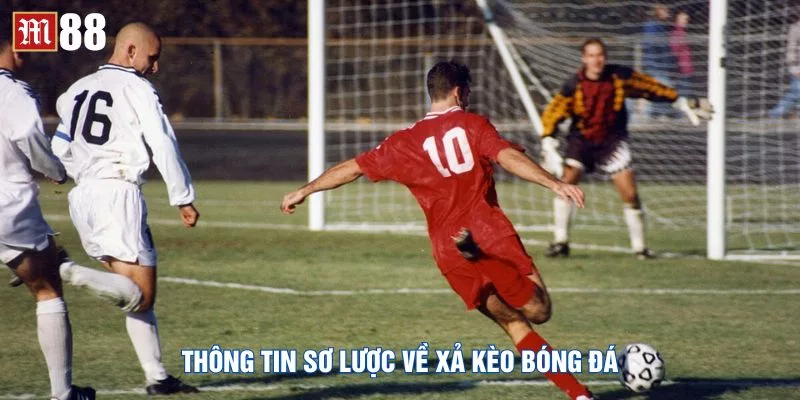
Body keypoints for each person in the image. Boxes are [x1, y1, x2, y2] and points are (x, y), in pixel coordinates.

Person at [282, 60, 595, 400]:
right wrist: (554, 183)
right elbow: (505, 155)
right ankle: (484, 260)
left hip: (449, 250)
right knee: (539, 310)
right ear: (459, 92)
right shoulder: (472, 124)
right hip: (488, 232)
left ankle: (579, 395)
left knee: (514, 324)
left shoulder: (404, 141)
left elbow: (352, 167)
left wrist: (306, 190)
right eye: (468, 92)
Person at [49, 22, 200, 395]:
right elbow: (162, 142)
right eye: (152, 57)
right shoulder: (137, 88)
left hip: (83, 197)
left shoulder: (76, 90)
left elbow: (59, 146)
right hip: (117, 193)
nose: (155, 67)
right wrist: (182, 196)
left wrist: (60, 172)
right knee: (141, 295)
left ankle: (157, 377)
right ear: (131, 51)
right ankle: (66, 269)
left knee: (135, 295)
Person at [539, 38, 711, 259]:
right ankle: (560, 242)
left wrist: (680, 101)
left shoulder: (619, 76)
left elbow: (649, 87)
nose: (596, 60)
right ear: (584, 59)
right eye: (591, 55)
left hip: (612, 142)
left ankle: (640, 249)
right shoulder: (573, 85)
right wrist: (548, 139)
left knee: (630, 194)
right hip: (581, 141)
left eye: (600, 55)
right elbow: (554, 111)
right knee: (567, 183)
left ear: (605, 57)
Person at [0, 25, 96, 400]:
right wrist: (54, 169)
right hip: (8, 204)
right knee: (47, 287)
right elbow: (27, 134)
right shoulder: (14, 90)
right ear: (16, 50)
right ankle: (62, 393)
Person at [642, 4, 678, 119]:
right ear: (658, 12)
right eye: (665, 11)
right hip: (656, 64)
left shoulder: (661, 26)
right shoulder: (652, 25)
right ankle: (656, 113)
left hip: (661, 64)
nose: (668, 13)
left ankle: (656, 113)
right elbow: (652, 43)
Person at [769, 17, 800, 118]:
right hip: (797, 67)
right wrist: (794, 68)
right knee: (797, 92)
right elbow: (791, 49)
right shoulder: (796, 28)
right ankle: (775, 113)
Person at [669, 10, 694, 98]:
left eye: (687, 19)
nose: (686, 21)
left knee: (685, 95)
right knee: (683, 96)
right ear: (678, 19)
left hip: (687, 69)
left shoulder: (683, 33)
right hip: (682, 70)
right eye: (684, 19)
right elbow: (674, 51)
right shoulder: (677, 33)